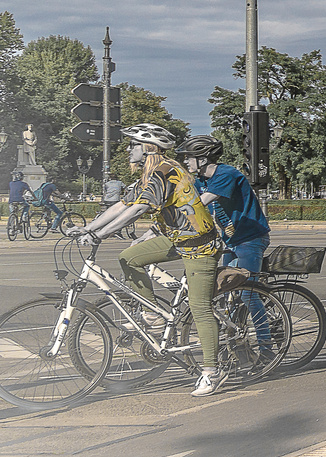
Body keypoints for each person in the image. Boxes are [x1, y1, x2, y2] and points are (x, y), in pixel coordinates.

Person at [76, 124, 226, 396]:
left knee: (200, 306)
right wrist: (90, 229)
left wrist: (102, 234)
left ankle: (211, 372)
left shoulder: (165, 170)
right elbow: (123, 204)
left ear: (148, 148)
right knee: (129, 257)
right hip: (177, 238)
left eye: (132, 144)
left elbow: (142, 208)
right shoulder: (148, 174)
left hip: (199, 244)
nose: (127, 149)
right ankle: (153, 314)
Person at [183, 136, 271, 276]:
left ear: (203, 160)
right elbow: (184, 199)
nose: (185, 161)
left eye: (189, 157)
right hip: (231, 240)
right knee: (226, 290)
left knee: (247, 294)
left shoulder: (226, 174)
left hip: (250, 239)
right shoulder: (200, 180)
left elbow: (200, 202)